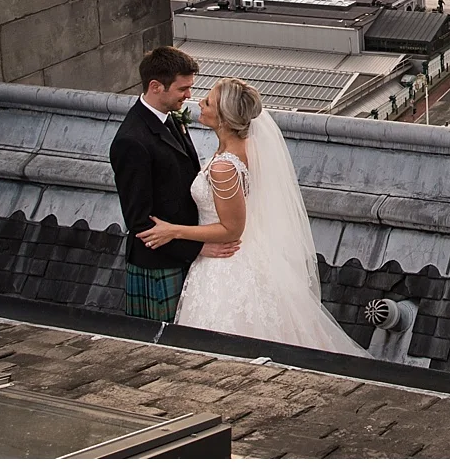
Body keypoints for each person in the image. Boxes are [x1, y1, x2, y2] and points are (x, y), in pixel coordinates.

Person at [135, 76, 368, 356]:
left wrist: (174, 231)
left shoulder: (224, 167)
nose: (199, 103)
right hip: (237, 256)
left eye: (207, 102)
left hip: (226, 264)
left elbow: (232, 229)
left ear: (223, 117)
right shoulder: (238, 152)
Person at [109, 48, 237, 322]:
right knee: (165, 347)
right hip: (158, 265)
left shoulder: (170, 118)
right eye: (183, 88)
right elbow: (139, 222)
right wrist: (198, 247)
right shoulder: (131, 141)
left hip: (180, 254)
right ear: (156, 86)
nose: (189, 96)